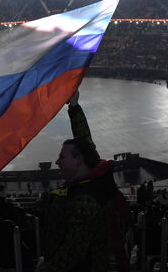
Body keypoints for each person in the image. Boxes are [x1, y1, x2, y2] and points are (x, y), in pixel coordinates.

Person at [39, 91, 129, 272]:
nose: (57, 161)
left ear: (78, 160)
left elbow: (73, 250)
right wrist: (74, 107)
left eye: (61, 157)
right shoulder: (93, 179)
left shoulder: (86, 200)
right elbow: (85, 140)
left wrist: (46, 268)